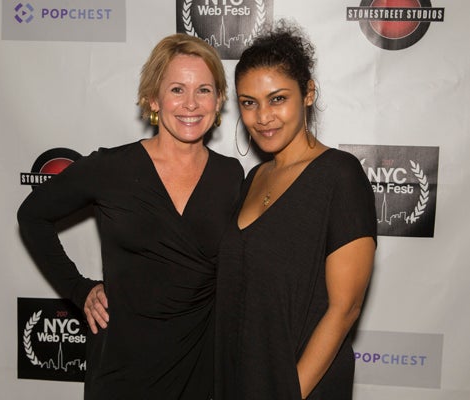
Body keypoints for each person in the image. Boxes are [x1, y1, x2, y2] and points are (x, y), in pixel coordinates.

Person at [18, 33, 243, 400]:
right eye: (176, 90)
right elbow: (32, 216)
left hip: (201, 369)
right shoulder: (112, 168)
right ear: (153, 98)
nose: (191, 103)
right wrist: (79, 288)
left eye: (203, 90)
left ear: (218, 100)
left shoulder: (231, 177)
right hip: (123, 369)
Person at [214, 21, 377, 400]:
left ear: (307, 93)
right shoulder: (253, 178)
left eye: (277, 99)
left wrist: (288, 391)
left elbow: (345, 308)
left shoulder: (340, 175)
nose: (262, 117)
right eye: (249, 103)